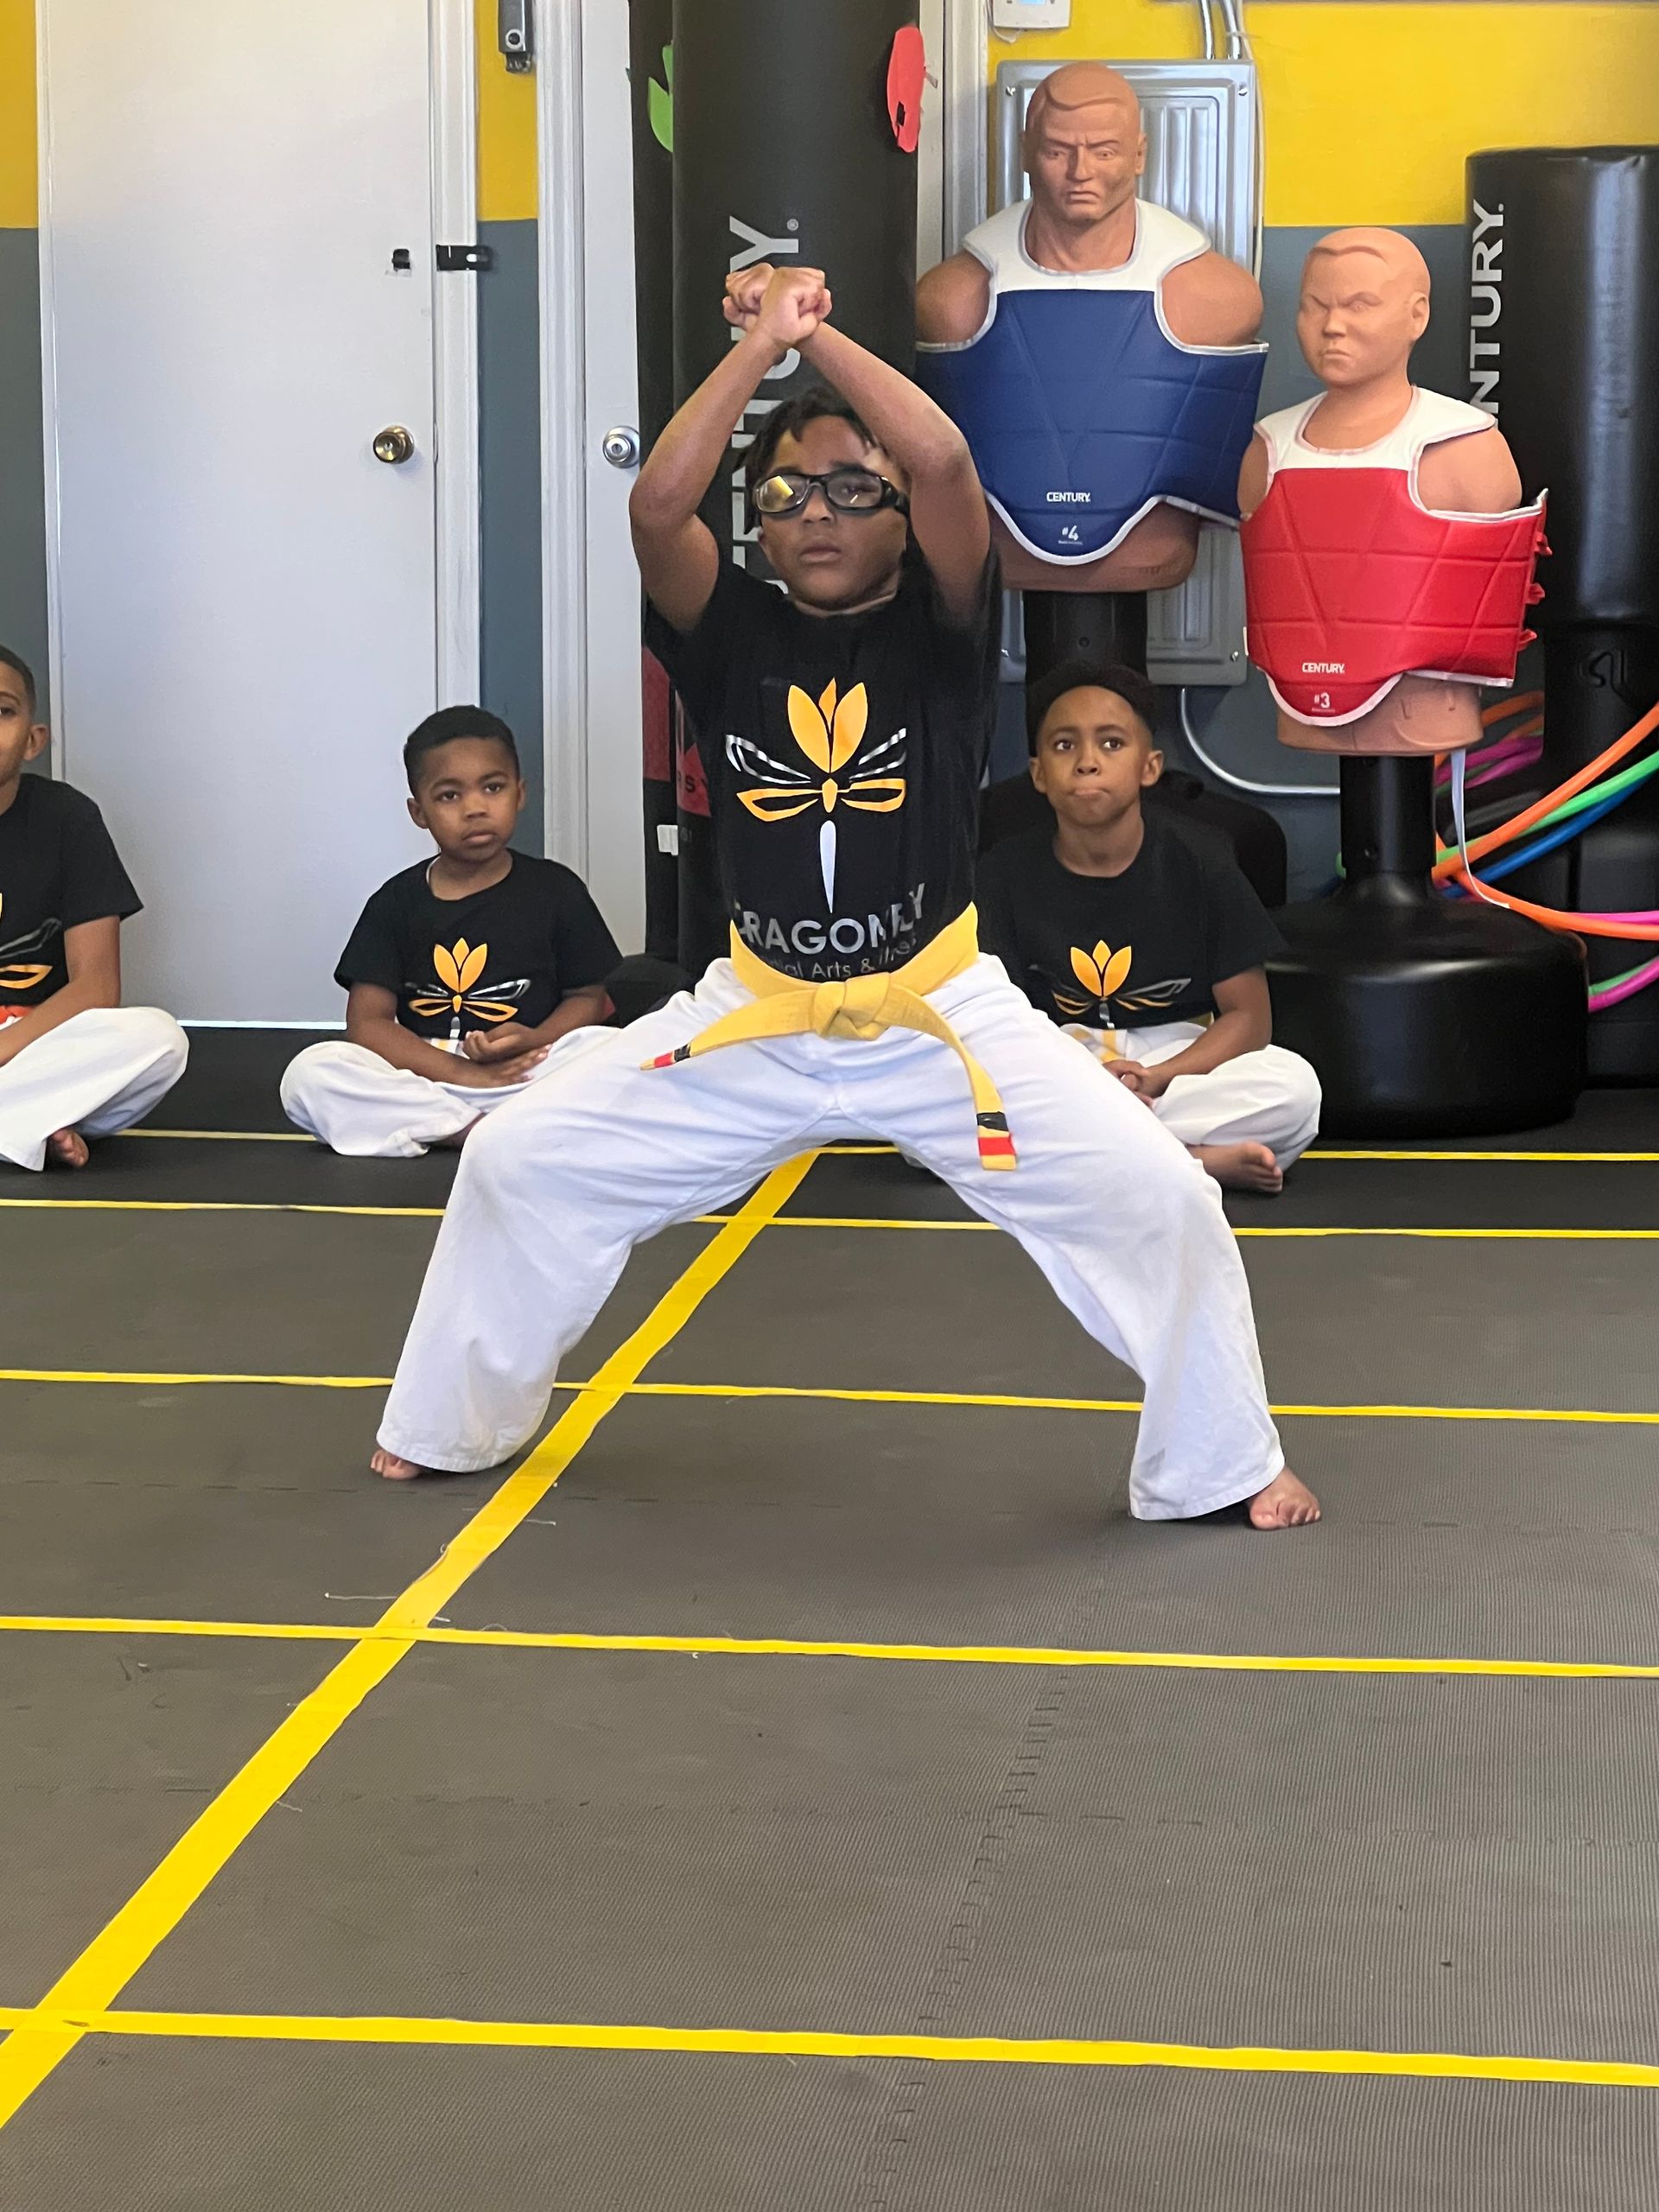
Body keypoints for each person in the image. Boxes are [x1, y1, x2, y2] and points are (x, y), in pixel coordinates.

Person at [370, 265, 1318, 1531]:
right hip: (754, 1013)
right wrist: (759, 349)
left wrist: (821, 337)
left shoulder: (944, 626)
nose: (820, 513)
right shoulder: (732, 631)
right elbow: (658, 504)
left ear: (895, 520)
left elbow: (946, 468)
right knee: (518, 1158)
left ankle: (1226, 1461)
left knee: (1163, 1200)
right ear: (761, 521)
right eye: (789, 494)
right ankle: (449, 1423)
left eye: (853, 491)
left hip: (938, 1011)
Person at [979, 661, 1321, 1195]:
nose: (1088, 763)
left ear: (1150, 766)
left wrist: (1158, 1076)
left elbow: (1250, 1019)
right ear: (1039, 772)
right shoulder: (1002, 871)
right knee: (926, 1106)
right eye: (1065, 746)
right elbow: (996, 1026)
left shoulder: (1201, 860)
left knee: (1295, 1091)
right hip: (1059, 1061)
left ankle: (1086, 1155)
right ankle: (1188, 1161)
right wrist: (1073, 1078)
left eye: (1111, 744)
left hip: (1170, 1063)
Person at [281, 707, 620, 1157]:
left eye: (492, 788)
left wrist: (536, 1041)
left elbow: (587, 998)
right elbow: (368, 1024)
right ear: (418, 812)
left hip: (530, 1069)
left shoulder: (556, 889)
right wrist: (464, 1074)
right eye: (449, 796)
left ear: (520, 794)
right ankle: (475, 1128)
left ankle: (496, 1123)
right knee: (311, 1074)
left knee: (612, 1048)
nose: (475, 808)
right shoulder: (395, 903)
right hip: (429, 1076)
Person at [0, 643, 188, 1170]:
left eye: (2, 710)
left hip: (34, 1047)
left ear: (33, 740)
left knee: (159, 1040)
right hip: (31, 1076)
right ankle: (25, 1119)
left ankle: (23, 1111)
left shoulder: (68, 820)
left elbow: (97, 987)